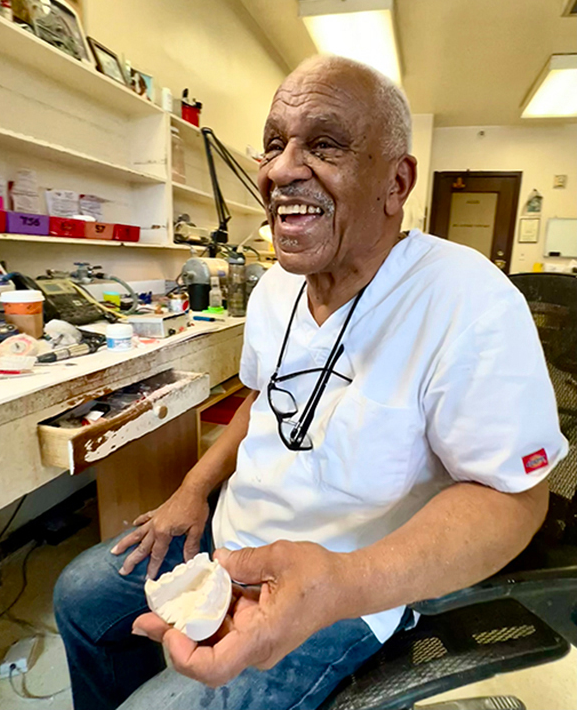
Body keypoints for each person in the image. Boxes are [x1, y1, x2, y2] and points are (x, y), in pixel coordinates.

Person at [54, 55, 569, 710]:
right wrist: (192, 489)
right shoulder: (275, 288)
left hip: (350, 583)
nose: (280, 169)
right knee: (79, 597)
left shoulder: (469, 301)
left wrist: (343, 583)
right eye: (274, 144)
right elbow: (260, 402)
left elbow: (517, 499)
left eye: (324, 144)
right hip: (232, 539)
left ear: (396, 180)